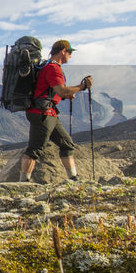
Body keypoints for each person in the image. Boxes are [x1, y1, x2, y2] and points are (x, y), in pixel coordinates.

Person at [20, 39, 91, 183]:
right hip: (43, 113)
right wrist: (82, 86)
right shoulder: (53, 68)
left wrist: (64, 95)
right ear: (63, 51)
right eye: (70, 52)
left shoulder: (46, 66)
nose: (70, 56)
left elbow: (51, 91)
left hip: (46, 112)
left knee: (67, 144)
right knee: (34, 149)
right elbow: (61, 90)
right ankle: (23, 182)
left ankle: (73, 178)